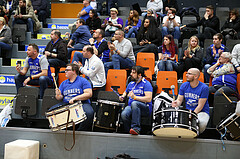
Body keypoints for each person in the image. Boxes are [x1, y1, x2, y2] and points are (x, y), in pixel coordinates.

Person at [49, 63, 94, 131]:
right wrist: (58, 95)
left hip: (81, 103)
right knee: (51, 112)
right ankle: (60, 131)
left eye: (67, 70)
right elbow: (60, 98)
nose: (65, 71)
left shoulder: (83, 81)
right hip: (66, 104)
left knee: (89, 113)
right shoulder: (63, 83)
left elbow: (89, 94)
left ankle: (81, 131)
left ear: (74, 72)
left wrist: (75, 98)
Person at [172, 68, 209, 134]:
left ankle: (196, 135)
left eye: (189, 74)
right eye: (187, 73)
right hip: (188, 111)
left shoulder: (204, 88)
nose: (186, 75)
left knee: (202, 122)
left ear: (196, 76)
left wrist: (191, 115)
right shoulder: (184, 85)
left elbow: (200, 106)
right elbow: (179, 100)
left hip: (201, 112)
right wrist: (176, 103)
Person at [120, 66, 153, 135]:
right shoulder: (131, 84)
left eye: (133, 73)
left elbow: (148, 98)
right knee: (124, 114)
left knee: (135, 103)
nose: (131, 74)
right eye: (131, 72)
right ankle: (128, 131)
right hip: (132, 106)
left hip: (145, 107)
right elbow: (125, 93)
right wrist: (122, 97)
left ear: (139, 75)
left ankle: (136, 128)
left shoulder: (146, 84)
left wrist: (135, 97)